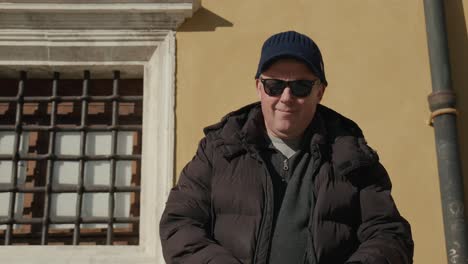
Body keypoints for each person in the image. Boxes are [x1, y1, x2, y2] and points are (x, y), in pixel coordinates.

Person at [159, 30, 414, 264]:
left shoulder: (353, 157)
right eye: (275, 86)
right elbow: (180, 224)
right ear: (259, 87)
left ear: (320, 92)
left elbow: (389, 235)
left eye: (301, 86)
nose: (286, 97)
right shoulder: (218, 149)